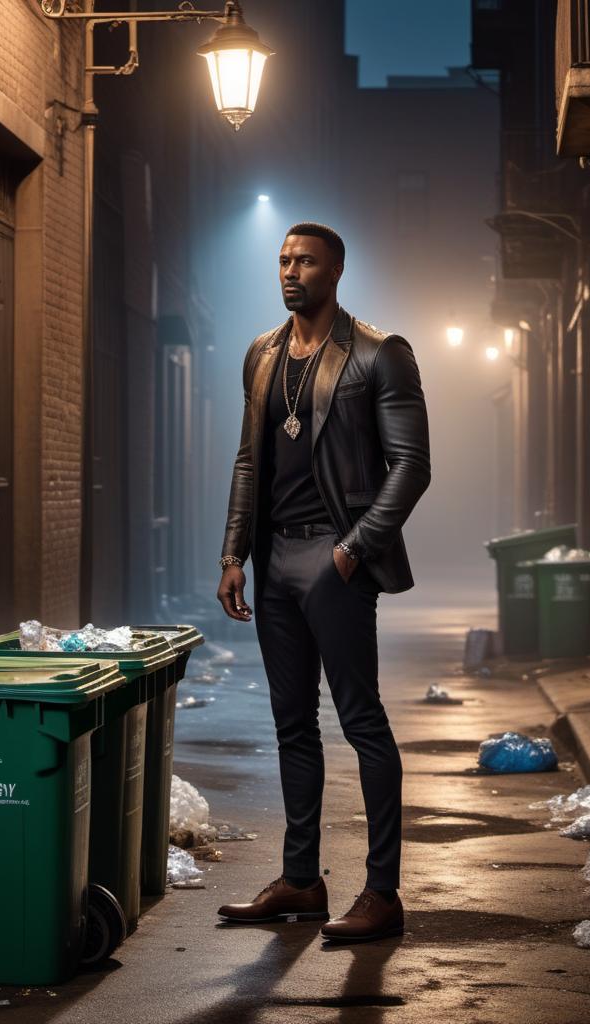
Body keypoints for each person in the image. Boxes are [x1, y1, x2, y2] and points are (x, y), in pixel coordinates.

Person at [215, 222, 430, 943]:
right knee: (291, 726)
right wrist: (233, 554)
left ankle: (382, 892)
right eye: (283, 260)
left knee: (362, 722)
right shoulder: (262, 355)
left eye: (305, 261)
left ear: (335, 271)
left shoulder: (377, 353)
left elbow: (411, 466)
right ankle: (302, 881)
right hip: (274, 561)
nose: (290, 271)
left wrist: (354, 549)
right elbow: (250, 461)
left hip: (334, 560)